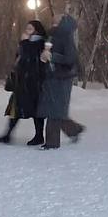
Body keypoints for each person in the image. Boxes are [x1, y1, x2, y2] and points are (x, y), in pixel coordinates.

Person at [0, 20, 47, 146]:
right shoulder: (26, 43)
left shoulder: (40, 43)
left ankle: (39, 136)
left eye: (30, 28)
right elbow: (19, 58)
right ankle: (8, 134)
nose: (27, 30)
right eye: (26, 28)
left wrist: (23, 42)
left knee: (35, 110)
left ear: (36, 30)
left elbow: (31, 58)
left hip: (34, 83)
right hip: (22, 82)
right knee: (16, 108)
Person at [37, 14, 85, 150]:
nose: (54, 19)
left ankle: (52, 143)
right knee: (55, 109)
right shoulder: (51, 35)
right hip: (51, 75)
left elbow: (70, 58)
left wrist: (53, 57)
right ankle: (74, 129)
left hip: (62, 77)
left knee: (54, 110)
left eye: (58, 18)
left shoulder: (65, 36)